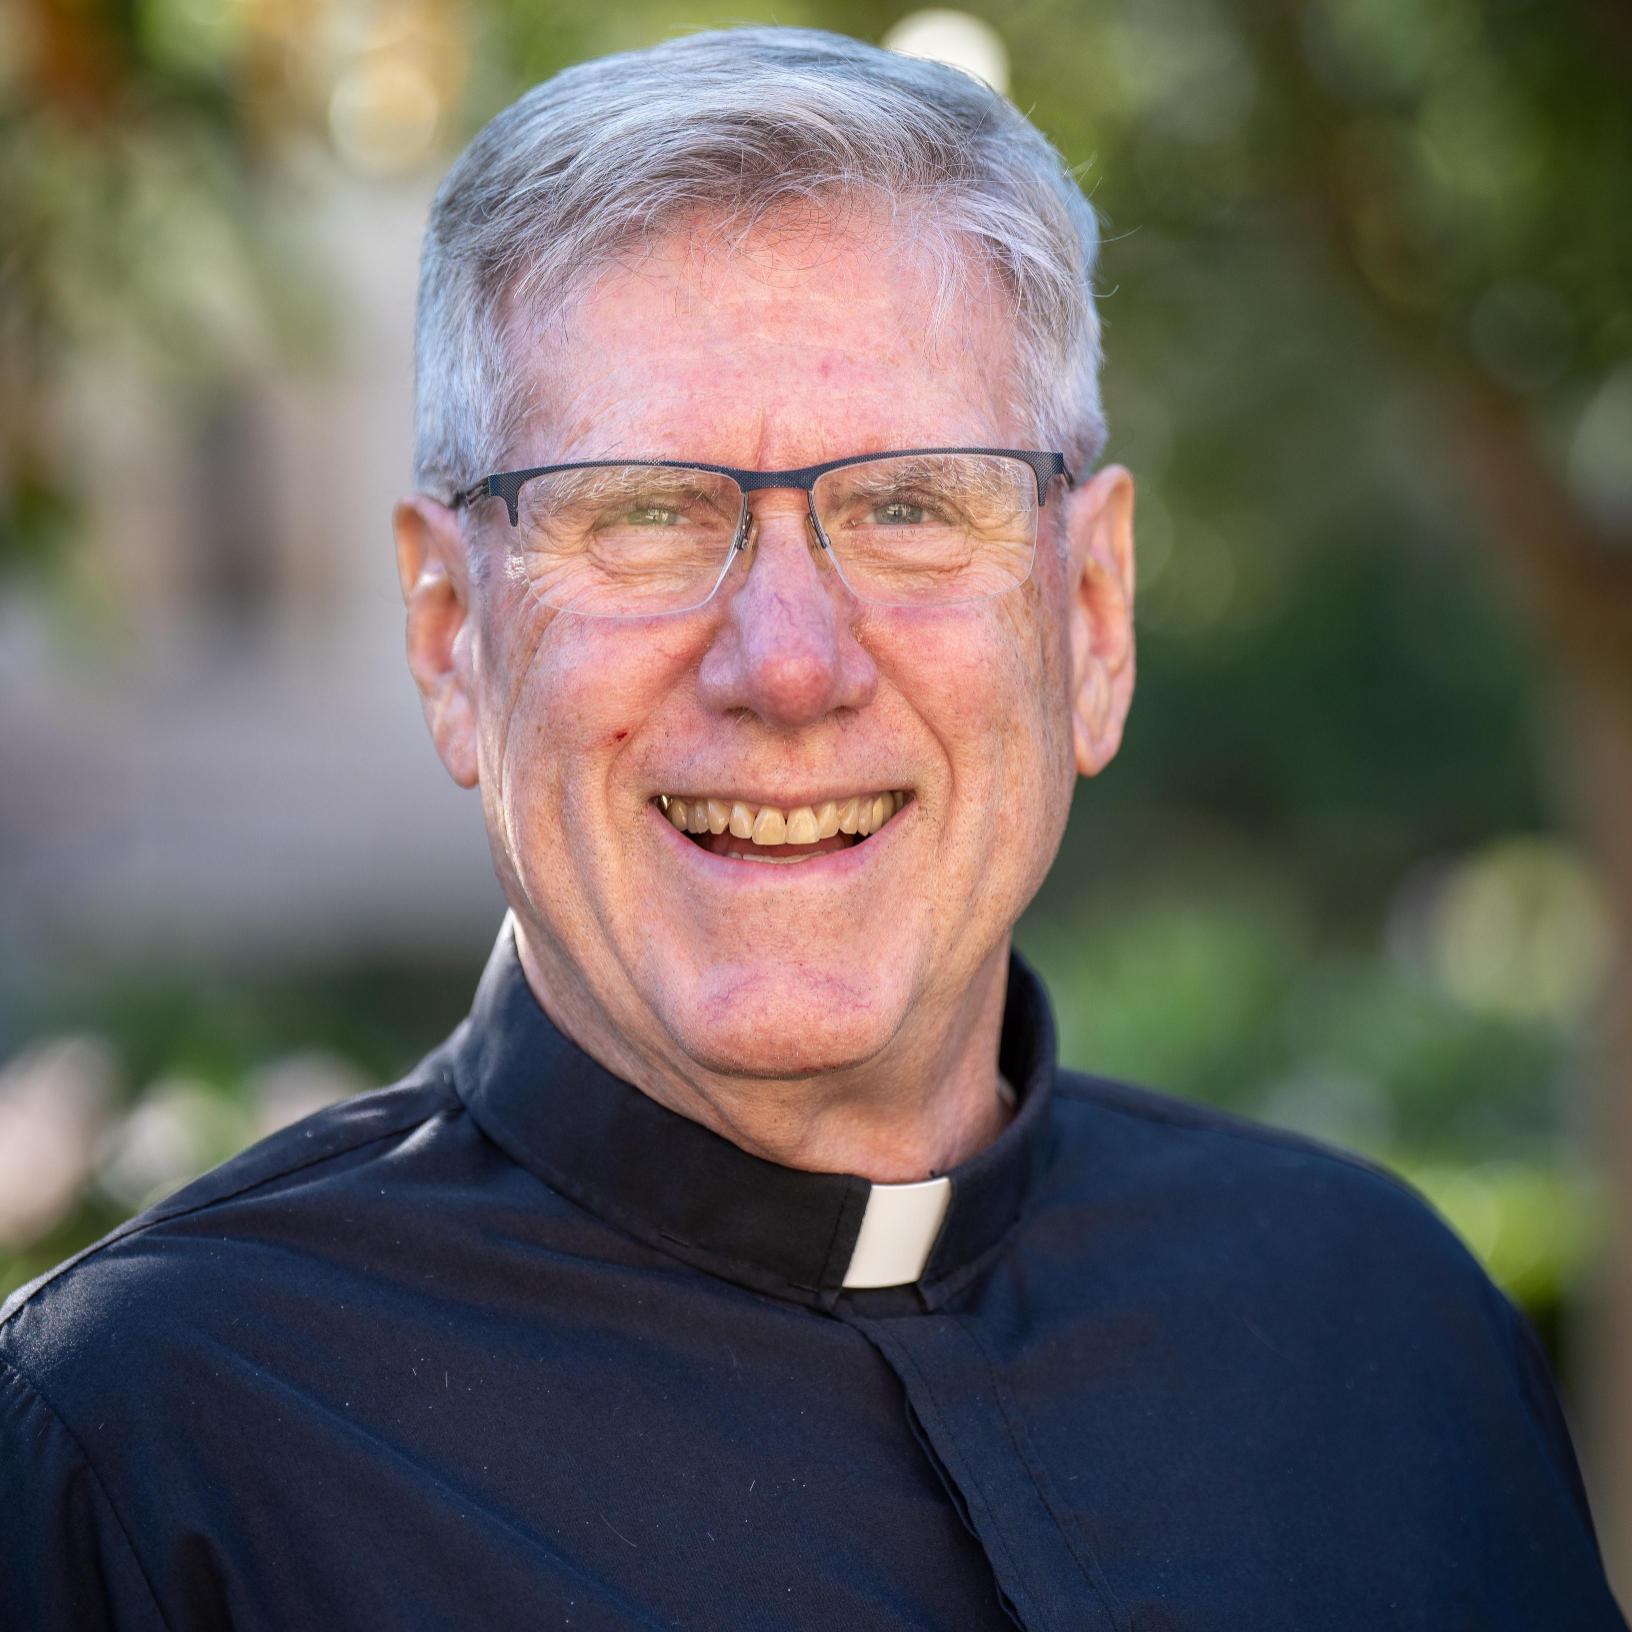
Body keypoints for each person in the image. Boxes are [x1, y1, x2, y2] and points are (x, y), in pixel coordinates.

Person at [1, 24, 1624, 1631]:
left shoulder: (1387, 1335)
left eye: (913, 506)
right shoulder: (153, 1450)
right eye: (643, 511)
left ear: (1093, 614)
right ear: (448, 632)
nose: (788, 665)